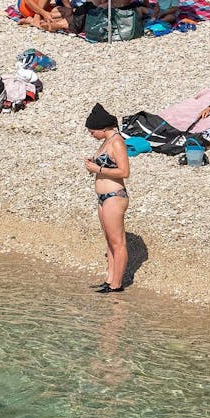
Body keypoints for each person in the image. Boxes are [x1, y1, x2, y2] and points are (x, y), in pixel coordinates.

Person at [85, 103, 131, 294]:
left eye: (92, 131)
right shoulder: (106, 142)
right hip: (103, 197)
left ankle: (117, 285)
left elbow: (124, 171)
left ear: (103, 127)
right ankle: (110, 279)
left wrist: (98, 169)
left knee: (117, 242)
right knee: (109, 240)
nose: (91, 134)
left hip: (115, 196)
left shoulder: (117, 142)